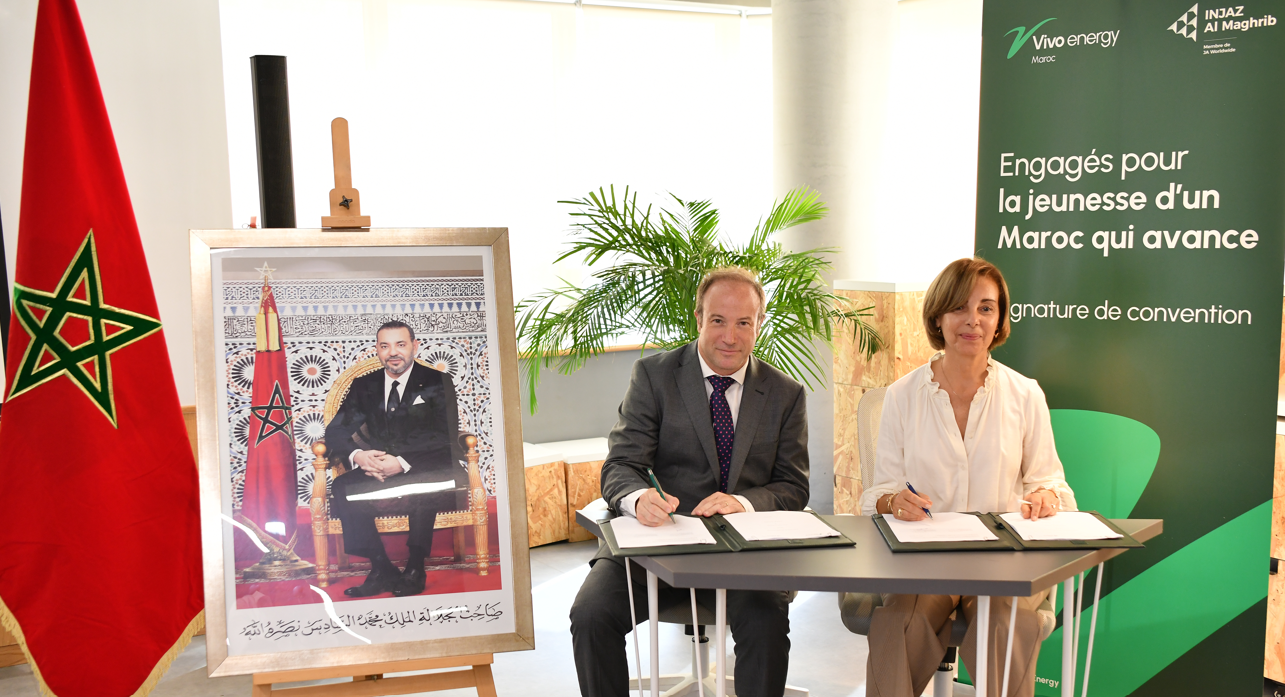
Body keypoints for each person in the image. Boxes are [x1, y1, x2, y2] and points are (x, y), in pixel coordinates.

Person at [569, 267, 810, 697]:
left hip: (745, 554)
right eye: (718, 320)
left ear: (760, 323)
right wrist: (639, 499)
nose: (730, 337)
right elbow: (620, 465)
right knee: (590, 615)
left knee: (766, 621)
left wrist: (743, 502)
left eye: (744, 323)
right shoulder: (653, 376)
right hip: (655, 546)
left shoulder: (784, 393)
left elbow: (793, 486)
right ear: (698, 317)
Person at [859, 258, 1077, 697]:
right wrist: (892, 502)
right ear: (938, 316)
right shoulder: (902, 396)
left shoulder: (1025, 394)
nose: (973, 321)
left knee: (1004, 623)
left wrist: (1047, 498)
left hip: (1003, 565)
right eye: (960, 308)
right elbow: (877, 494)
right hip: (924, 564)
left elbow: (1052, 485)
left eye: (986, 308)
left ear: (999, 320)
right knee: (900, 622)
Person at [325, 320, 465, 598]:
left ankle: (415, 567)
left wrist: (400, 462)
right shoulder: (365, 385)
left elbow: (444, 434)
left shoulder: (437, 381)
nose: (393, 352)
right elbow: (336, 429)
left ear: (414, 346)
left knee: (421, 488)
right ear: (377, 350)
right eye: (385, 346)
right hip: (378, 466)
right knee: (343, 487)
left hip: (429, 463)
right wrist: (360, 456)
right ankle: (380, 568)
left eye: (400, 344)